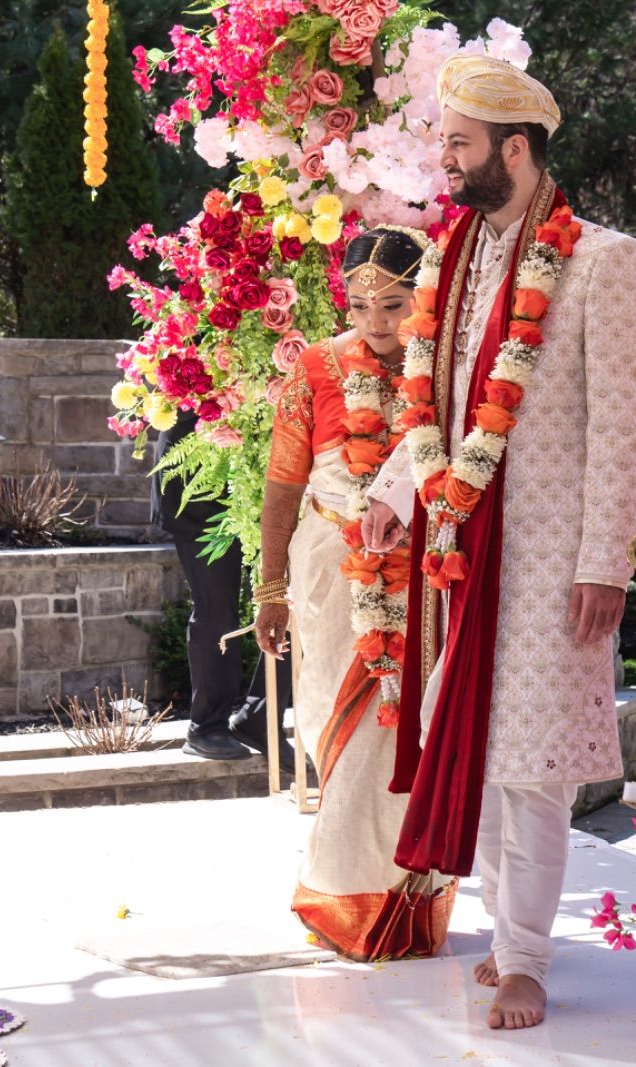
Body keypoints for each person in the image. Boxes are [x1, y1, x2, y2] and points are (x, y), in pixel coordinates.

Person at [362, 55, 636, 1029]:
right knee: (479, 750)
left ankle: (525, 958)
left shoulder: (601, 260)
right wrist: (395, 491)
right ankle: (506, 934)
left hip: (547, 554)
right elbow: (438, 403)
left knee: (531, 763)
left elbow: (620, 425)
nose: (443, 160)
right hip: (460, 547)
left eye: (459, 143)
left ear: (515, 149)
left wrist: (603, 561)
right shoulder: (450, 261)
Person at [255, 227, 456, 961]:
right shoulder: (314, 368)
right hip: (330, 566)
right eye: (361, 305)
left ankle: (399, 899)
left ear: (421, 298)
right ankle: (345, 898)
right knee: (331, 724)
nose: (376, 321)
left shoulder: (445, 369)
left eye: (393, 305)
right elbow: (283, 484)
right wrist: (270, 587)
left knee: (407, 729)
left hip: (423, 571)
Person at [153, 412, 254, 760]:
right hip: (196, 482)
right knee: (217, 608)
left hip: (259, 468)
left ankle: (259, 717)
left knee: (286, 598)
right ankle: (206, 727)